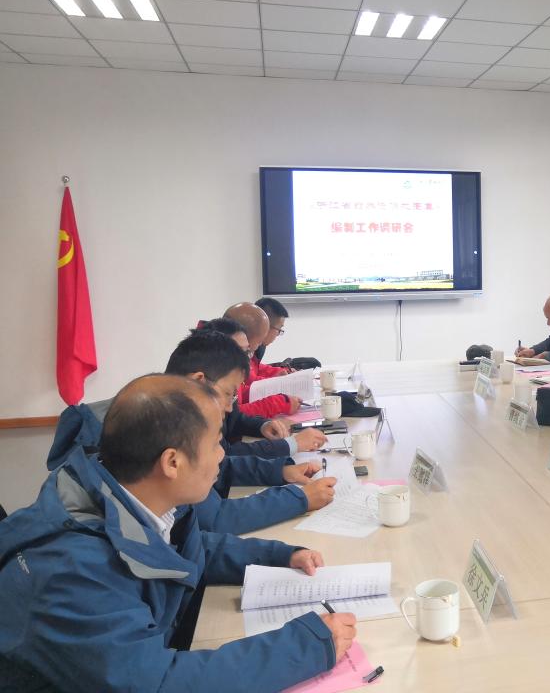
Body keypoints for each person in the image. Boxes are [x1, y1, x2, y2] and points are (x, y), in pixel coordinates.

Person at [0, 375, 356, 692]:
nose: (222, 456)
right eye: (216, 444)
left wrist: (279, 556)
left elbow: (187, 548)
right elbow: (155, 683)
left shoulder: (127, 493)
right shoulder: (75, 571)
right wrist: (305, 646)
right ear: (172, 462)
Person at [174, 323, 325, 458]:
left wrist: (262, 426)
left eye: (248, 352)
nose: (246, 360)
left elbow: (235, 417)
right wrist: (289, 445)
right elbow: (225, 457)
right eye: (241, 352)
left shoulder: (212, 385)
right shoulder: (183, 418)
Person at [254, 296, 288, 363]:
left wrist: (279, 368)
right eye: (279, 329)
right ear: (265, 326)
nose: (278, 334)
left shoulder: (260, 347)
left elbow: (256, 367)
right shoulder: (242, 349)